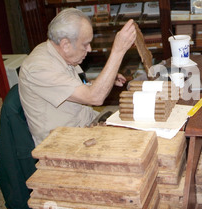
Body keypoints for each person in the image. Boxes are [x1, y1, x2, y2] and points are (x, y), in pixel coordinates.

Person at [18, 8, 137, 146]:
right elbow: (94, 98)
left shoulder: (65, 55)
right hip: (64, 145)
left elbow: (79, 85)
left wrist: (106, 79)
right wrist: (118, 50)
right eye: (85, 44)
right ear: (66, 44)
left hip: (86, 126)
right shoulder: (38, 67)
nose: (89, 49)